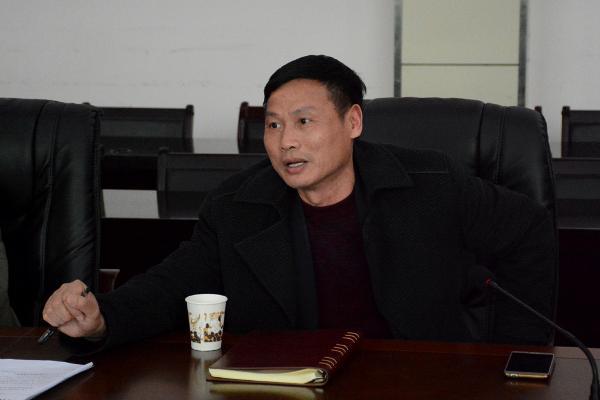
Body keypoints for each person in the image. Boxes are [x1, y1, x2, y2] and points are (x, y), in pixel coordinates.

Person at [43, 55, 556, 349]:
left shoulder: (430, 184)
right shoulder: (237, 207)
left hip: (416, 382)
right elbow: (172, 286)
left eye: (304, 121)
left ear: (352, 122)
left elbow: (529, 231)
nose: (285, 141)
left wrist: (516, 352)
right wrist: (101, 319)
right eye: (273, 124)